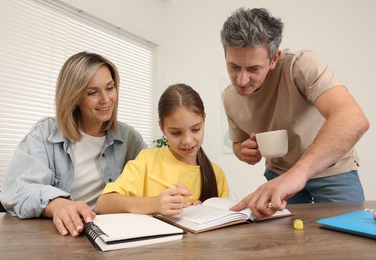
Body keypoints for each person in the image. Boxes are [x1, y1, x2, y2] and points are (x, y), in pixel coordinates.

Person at [220, 8, 370, 218]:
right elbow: (238, 143)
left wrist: (298, 173)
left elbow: (353, 119)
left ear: (274, 59)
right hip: (279, 174)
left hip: (333, 168)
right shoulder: (228, 97)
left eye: (254, 69)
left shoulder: (300, 65)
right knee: (286, 243)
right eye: (234, 66)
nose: (241, 80)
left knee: (349, 239)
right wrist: (243, 152)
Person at [0, 52, 146, 237]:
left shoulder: (129, 138)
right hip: (63, 235)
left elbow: (153, 178)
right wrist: (58, 204)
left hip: (112, 233)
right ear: (74, 96)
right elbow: (17, 190)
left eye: (110, 88)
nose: (106, 99)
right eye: (92, 92)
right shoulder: (45, 134)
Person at [95, 83, 229, 216]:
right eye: (176, 133)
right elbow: (103, 204)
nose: (187, 140)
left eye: (196, 129)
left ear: (204, 120)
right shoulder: (148, 161)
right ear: (162, 127)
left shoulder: (216, 174)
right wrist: (155, 204)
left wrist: (202, 211)